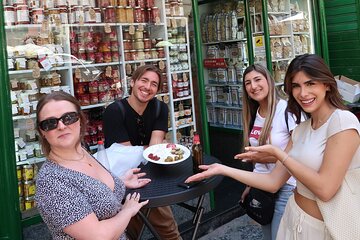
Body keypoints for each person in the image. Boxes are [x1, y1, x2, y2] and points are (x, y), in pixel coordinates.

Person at [186, 54, 360, 240]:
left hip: (323, 228)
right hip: (294, 219)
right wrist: (222, 169)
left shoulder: (341, 120)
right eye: (296, 86)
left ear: (326, 84)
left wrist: (279, 154)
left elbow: (326, 189)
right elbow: (273, 181)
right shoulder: (301, 130)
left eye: (310, 84)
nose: (303, 93)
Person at [35, 91, 150, 240]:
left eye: (69, 118)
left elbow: (91, 193)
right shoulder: (51, 181)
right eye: (50, 123)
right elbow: (97, 236)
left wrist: (119, 181)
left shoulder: (82, 152)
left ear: (80, 120)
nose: (61, 126)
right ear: (42, 132)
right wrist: (127, 210)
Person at [103, 65, 182, 240]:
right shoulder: (114, 111)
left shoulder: (160, 108)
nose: (148, 87)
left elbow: (154, 150)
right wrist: (155, 147)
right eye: (144, 80)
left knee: (167, 229)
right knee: (128, 232)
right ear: (132, 82)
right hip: (122, 181)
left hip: (150, 178)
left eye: (154, 84)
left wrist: (154, 148)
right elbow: (130, 154)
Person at [240, 64, 297, 240]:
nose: (253, 86)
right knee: (267, 236)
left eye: (258, 79)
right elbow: (257, 159)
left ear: (269, 81)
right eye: (248, 83)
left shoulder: (287, 111)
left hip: (287, 186)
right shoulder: (253, 114)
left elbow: (299, 152)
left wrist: (265, 156)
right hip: (262, 187)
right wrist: (251, 185)